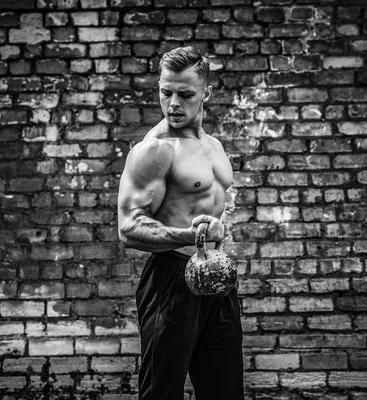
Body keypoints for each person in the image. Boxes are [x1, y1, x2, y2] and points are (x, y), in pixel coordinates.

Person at [117, 46, 244, 400]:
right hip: (170, 281)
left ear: (206, 94)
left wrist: (219, 230)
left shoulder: (215, 147)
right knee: (161, 393)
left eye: (185, 94)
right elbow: (129, 227)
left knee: (226, 391)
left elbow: (215, 205)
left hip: (217, 281)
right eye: (165, 92)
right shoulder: (155, 150)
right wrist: (190, 236)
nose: (173, 103)